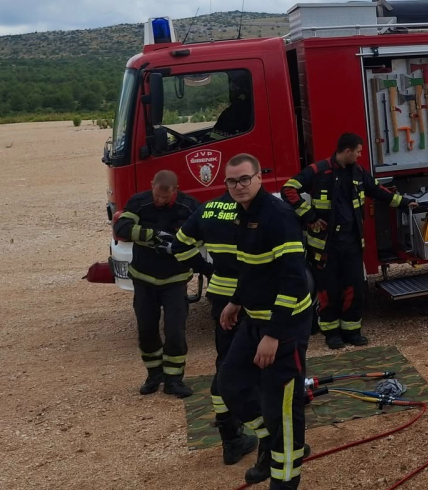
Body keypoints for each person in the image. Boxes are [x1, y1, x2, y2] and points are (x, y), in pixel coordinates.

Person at [217, 154, 314, 489]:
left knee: (284, 412)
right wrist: (236, 301)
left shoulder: (278, 216)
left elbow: (293, 280)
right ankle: (269, 445)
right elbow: (252, 267)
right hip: (253, 322)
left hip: (283, 328)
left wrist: (274, 335)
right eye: (232, 181)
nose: (238, 186)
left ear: (260, 177)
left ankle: (284, 479)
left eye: (245, 179)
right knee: (229, 383)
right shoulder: (242, 215)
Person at [282, 133, 412, 348]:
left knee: (355, 289)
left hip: (351, 243)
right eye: (358, 151)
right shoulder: (318, 171)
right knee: (328, 291)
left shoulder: (358, 172)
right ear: (347, 150)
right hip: (325, 246)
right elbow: (288, 189)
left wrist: (405, 203)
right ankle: (331, 334)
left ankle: (352, 332)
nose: (360, 156)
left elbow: (378, 191)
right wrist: (309, 216)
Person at [175, 190, 259, 465]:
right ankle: (266, 432)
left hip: (221, 295)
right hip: (252, 298)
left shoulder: (208, 209)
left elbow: (180, 245)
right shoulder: (255, 210)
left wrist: (207, 269)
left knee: (225, 363)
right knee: (257, 363)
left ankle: (231, 438)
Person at [113, 170, 206, 398]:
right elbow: (121, 228)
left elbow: (204, 233)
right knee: (147, 330)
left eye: (165, 197)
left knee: (175, 331)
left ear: (175, 190)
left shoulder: (189, 206)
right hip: (144, 280)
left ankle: (174, 380)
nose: (159, 201)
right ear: (151, 185)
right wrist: (151, 235)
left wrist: (180, 242)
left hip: (174, 281)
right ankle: (154, 375)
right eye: (157, 195)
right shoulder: (139, 202)